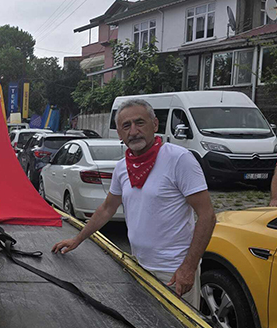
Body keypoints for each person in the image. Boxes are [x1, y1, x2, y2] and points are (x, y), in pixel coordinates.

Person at [52, 99, 216, 309]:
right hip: (138, 266)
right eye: (126, 126)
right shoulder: (123, 167)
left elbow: (207, 215)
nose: (134, 131)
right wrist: (77, 239)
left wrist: (189, 268)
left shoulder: (179, 159)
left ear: (155, 125)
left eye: (140, 123)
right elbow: (107, 208)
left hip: (173, 272)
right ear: (119, 133)